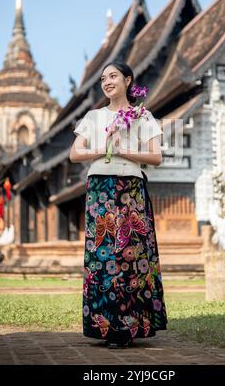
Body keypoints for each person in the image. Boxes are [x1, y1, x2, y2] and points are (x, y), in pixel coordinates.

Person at [69, 61, 168, 349]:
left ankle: (128, 326)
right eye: (103, 78)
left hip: (130, 187)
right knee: (101, 256)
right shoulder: (93, 116)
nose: (107, 81)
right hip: (99, 187)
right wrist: (105, 149)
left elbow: (156, 157)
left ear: (127, 80)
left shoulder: (142, 115)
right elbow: (76, 153)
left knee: (129, 254)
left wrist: (123, 149)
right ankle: (103, 324)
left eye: (113, 76)